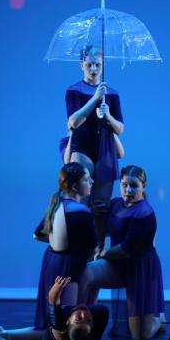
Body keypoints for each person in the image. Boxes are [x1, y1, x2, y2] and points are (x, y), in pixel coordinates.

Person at [0, 163, 97, 340]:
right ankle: (5, 334)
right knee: (63, 326)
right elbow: (93, 247)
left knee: (55, 321)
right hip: (68, 266)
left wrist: (61, 243)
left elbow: (37, 235)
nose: (92, 181)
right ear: (75, 186)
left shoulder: (57, 204)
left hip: (52, 260)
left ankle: (6, 334)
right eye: (86, 179)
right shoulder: (81, 211)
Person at [78, 165, 165, 340]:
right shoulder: (117, 204)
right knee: (86, 272)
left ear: (144, 186)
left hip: (141, 270)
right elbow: (108, 227)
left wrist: (102, 253)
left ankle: (159, 320)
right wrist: (99, 214)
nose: (128, 190)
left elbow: (125, 249)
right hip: (117, 264)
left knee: (140, 336)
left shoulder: (145, 213)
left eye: (134, 186)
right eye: (124, 184)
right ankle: (82, 316)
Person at [66, 45, 124, 247]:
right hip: (82, 147)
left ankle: (98, 250)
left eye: (97, 65)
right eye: (89, 64)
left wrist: (107, 114)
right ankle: (78, 246)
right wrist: (95, 98)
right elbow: (74, 122)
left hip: (104, 148)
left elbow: (120, 129)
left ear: (103, 66)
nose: (93, 69)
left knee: (101, 205)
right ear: (82, 65)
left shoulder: (113, 94)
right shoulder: (74, 91)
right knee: (80, 201)